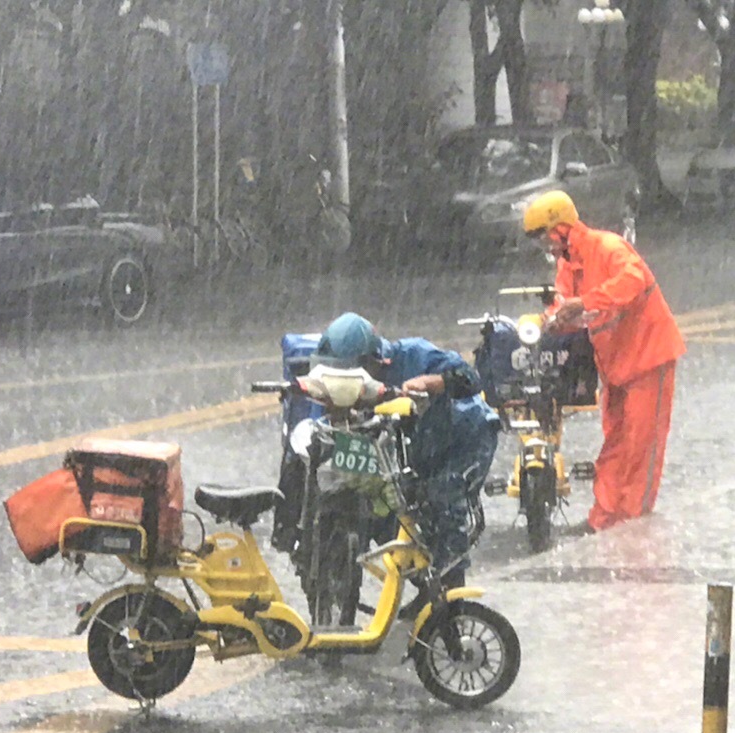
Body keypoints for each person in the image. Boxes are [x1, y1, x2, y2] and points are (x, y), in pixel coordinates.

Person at [283, 312, 501, 617]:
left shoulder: (414, 354)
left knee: (441, 501)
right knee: (388, 509)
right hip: (417, 448)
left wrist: (432, 382)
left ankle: (449, 602)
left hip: (463, 441)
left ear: (372, 364)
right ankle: (424, 586)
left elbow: (469, 378)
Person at [523, 189, 685, 533]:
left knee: (641, 445)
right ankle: (603, 518)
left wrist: (583, 303)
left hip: (648, 356)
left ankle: (630, 523)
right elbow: (562, 304)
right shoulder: (569, 266)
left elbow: (633, 281)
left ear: (561, 229)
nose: (546, 248)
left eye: (545, 239)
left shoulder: (607, 247)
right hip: (616, 364)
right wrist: (548, 321)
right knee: (615, 442)